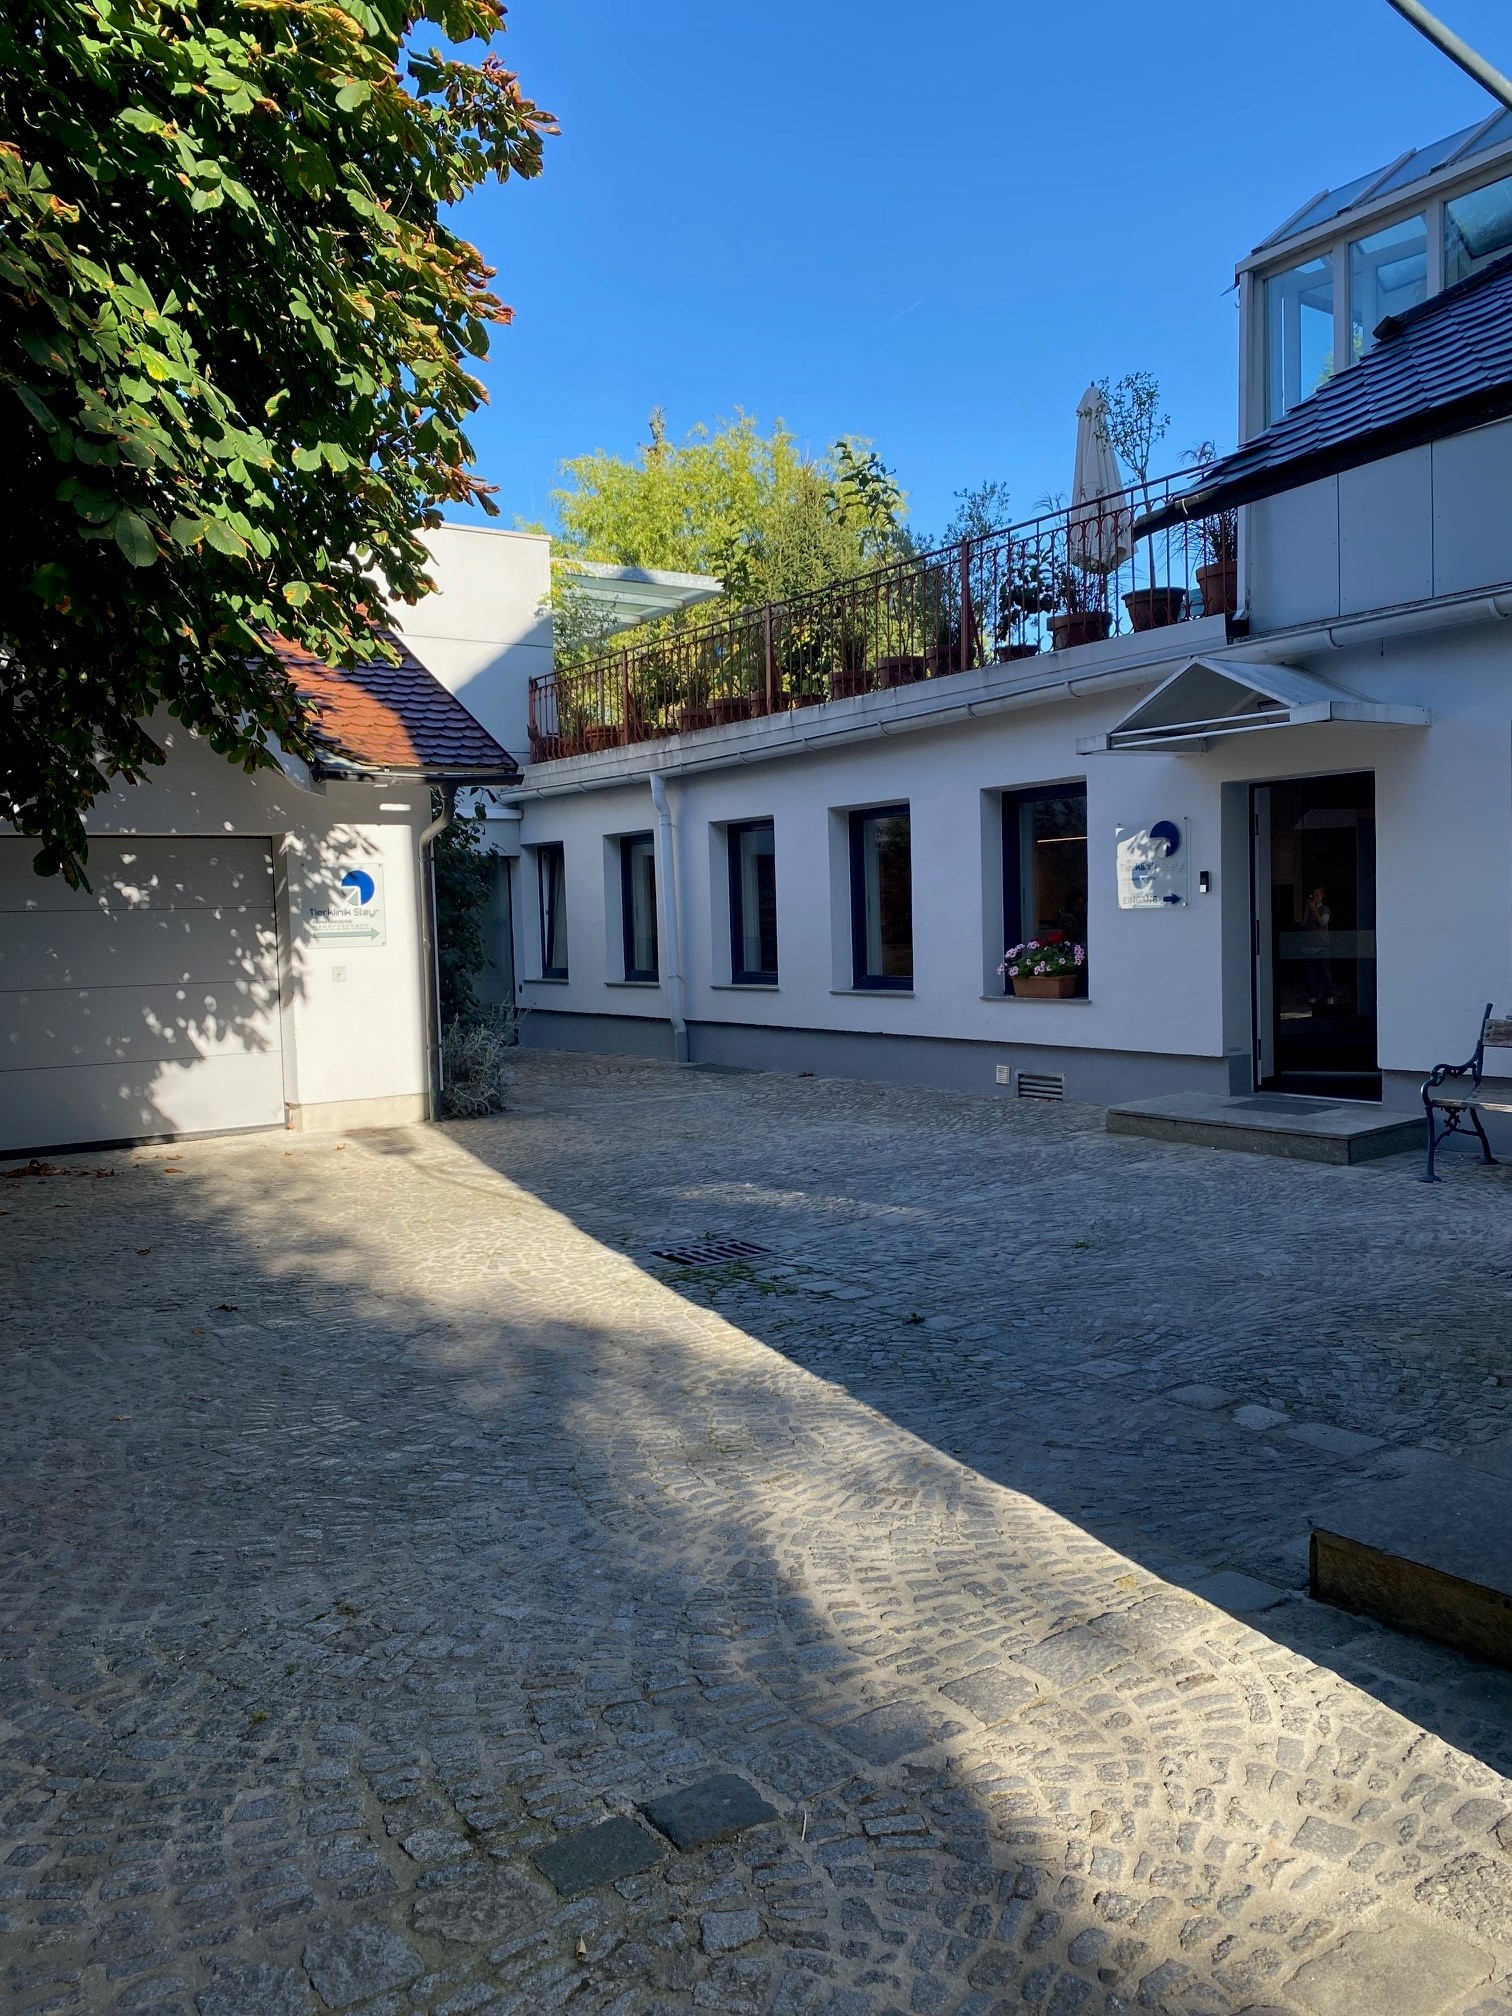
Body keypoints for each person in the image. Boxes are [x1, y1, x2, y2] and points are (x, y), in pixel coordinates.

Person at [1301, 886, 1333, 1007]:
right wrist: (1306, 911)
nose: (1315, 898)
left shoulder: (1325, 909)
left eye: (1317, 895)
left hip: (1322, 946)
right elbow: (1303, 923)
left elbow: (1322, 923)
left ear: (1322, 896)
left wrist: (1314, 909)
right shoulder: (1309, 909)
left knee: (1325, 972)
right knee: (1310, 973)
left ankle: (1329, 995)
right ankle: (1313, 995)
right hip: (1309, 946)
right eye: (1313, 895)